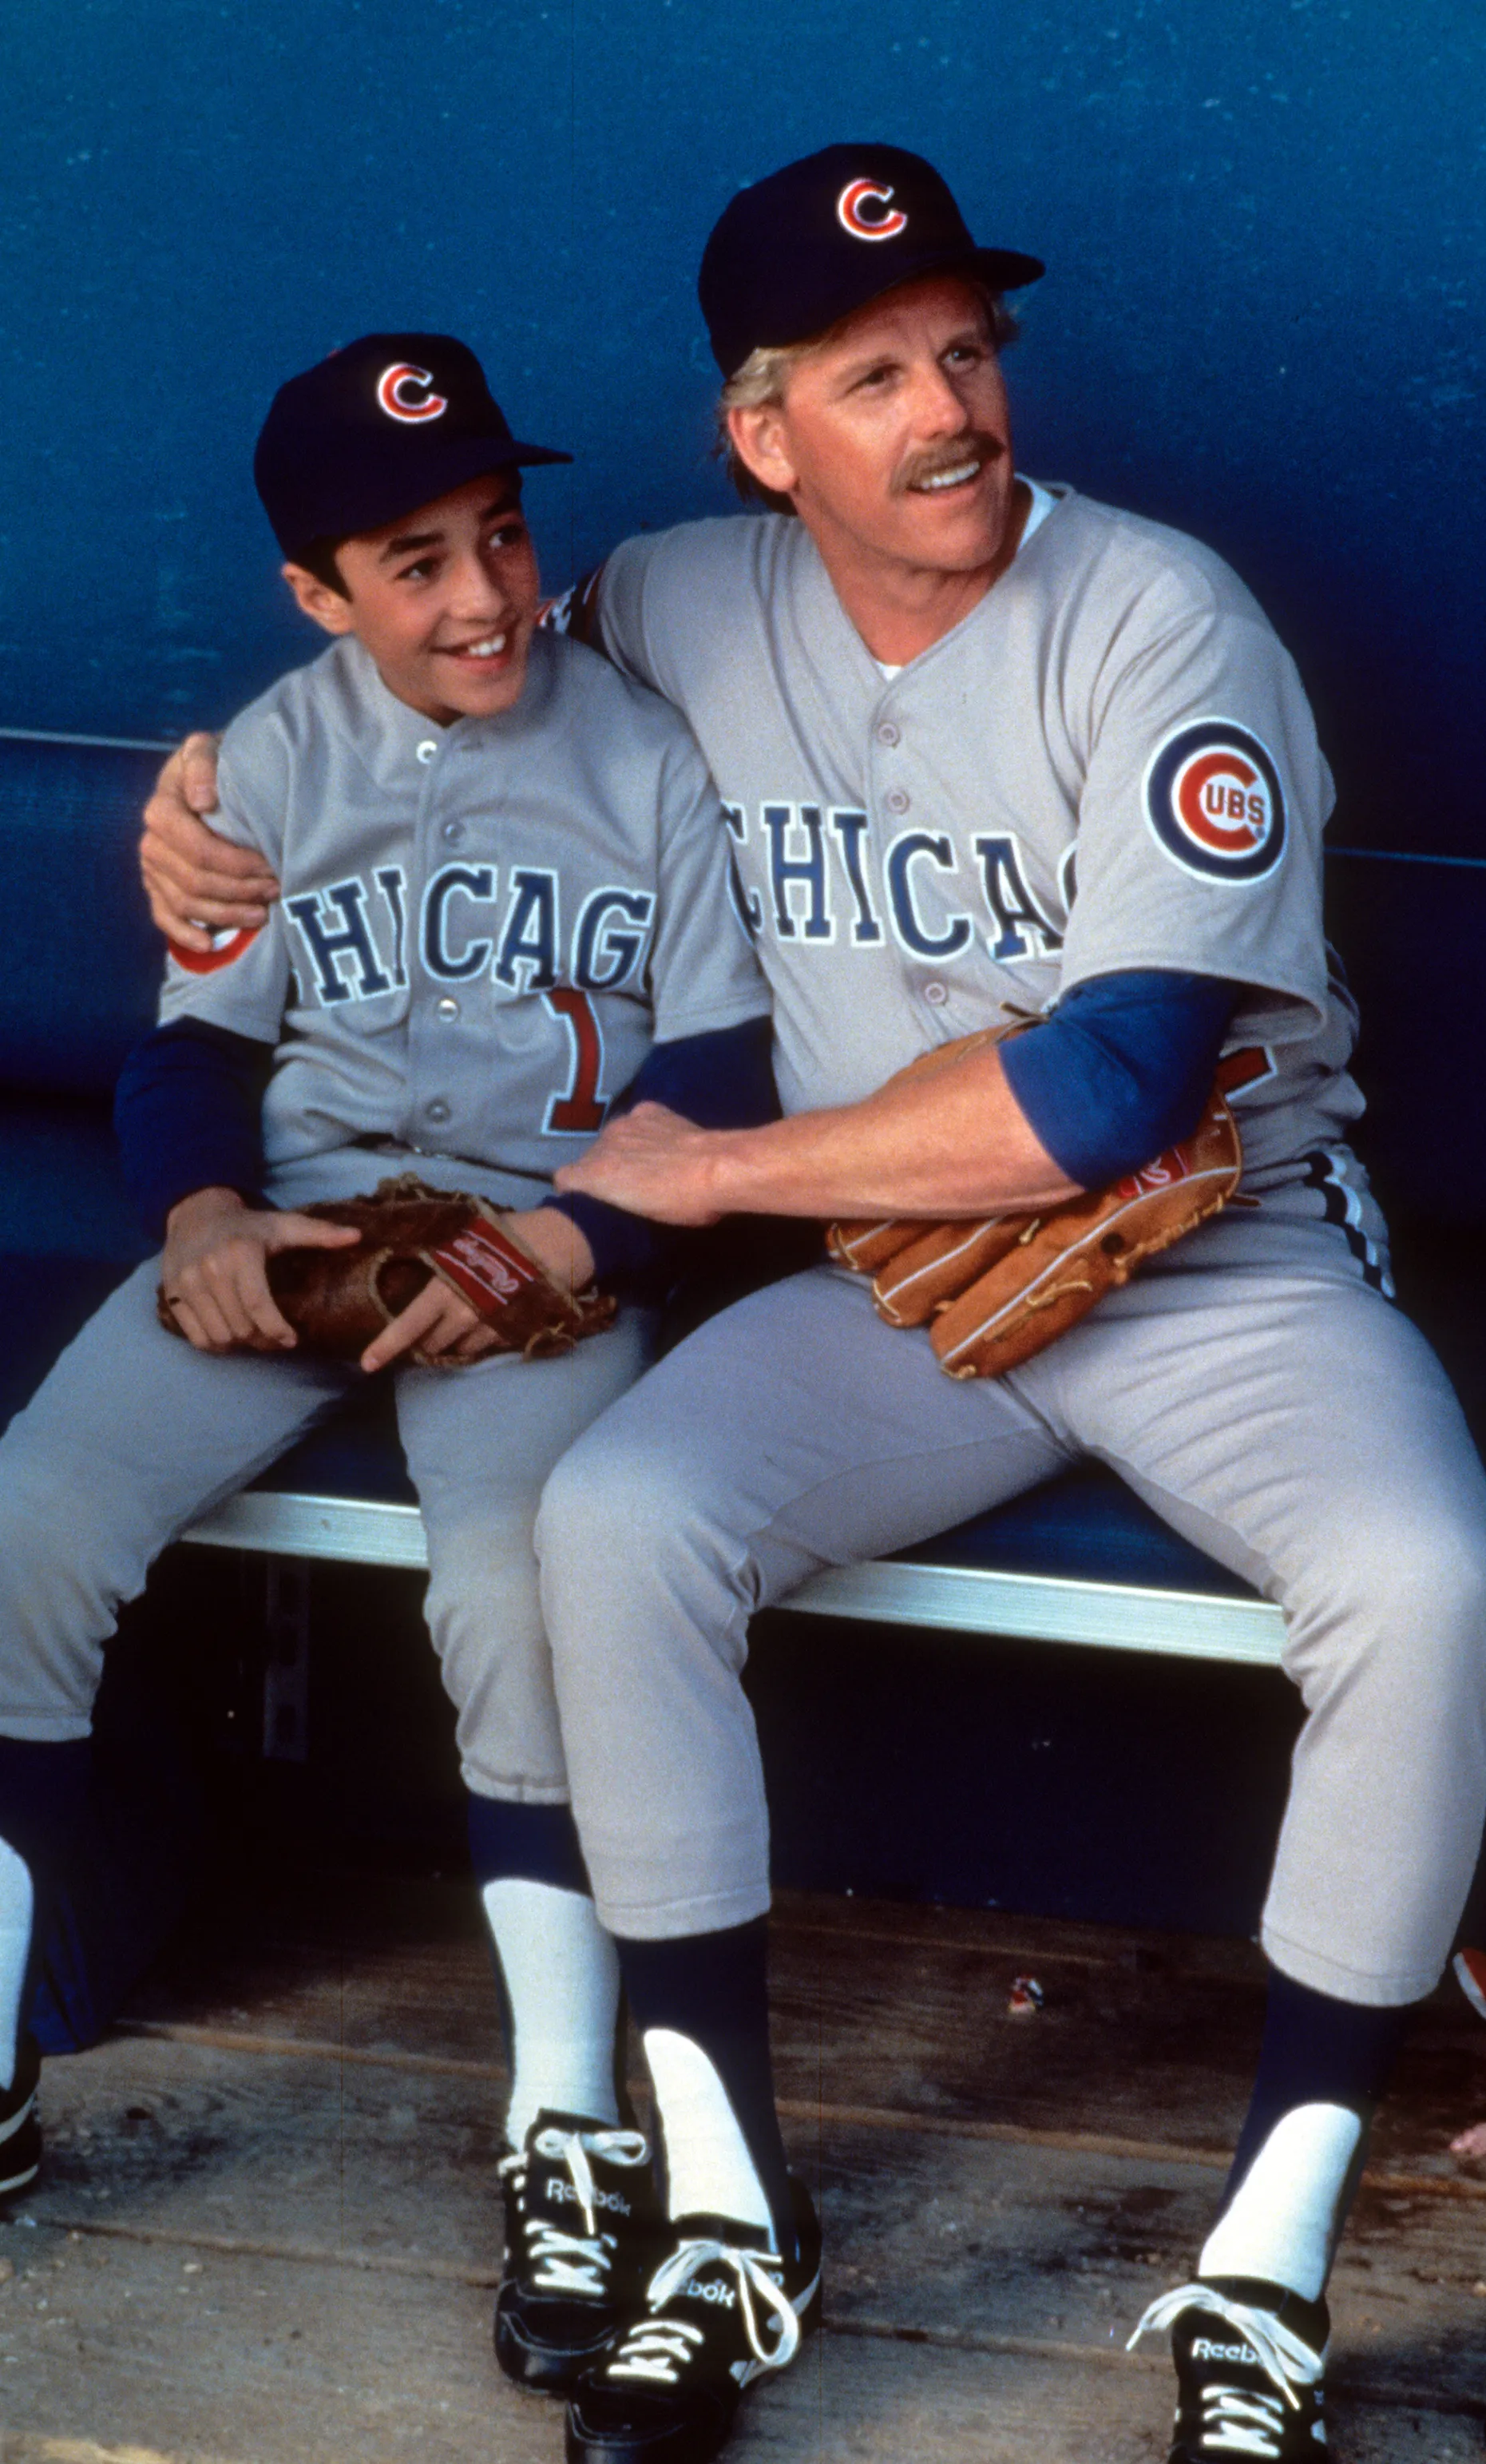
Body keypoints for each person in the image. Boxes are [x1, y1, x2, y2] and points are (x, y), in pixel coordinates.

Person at [141, 150, 1486, 2464]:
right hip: (892, 1289)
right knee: (623, 1514)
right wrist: (201, 804)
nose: (948, 405)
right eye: (874, 373)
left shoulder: (1165, 615)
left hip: (1216, 1250)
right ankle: (722, 2213)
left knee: (1421, 1577)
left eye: (968, 348)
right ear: (765, 437)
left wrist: (708, 1170)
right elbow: (432, 677)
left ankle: (1266, 2268)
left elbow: (1112, 1087)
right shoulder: (674, 603)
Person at [2, 329, 789, 2408]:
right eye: (412, 557)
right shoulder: (266, 759)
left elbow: (721, 1065)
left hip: (541, 1251)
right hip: (309, 1233)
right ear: (316, 595)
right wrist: (199, 1223)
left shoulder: (641, 746)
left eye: (502, 532)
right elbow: (188, 1056)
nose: (481, 593)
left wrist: (595, 1236)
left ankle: (565, 2119)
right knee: (30, 1516)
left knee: (520, 1572)